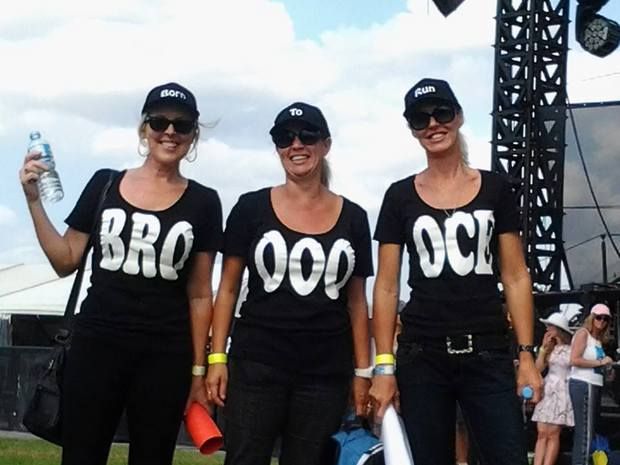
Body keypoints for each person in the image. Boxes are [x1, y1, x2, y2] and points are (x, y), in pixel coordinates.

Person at [19, 82, 223, 465]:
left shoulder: (204, 201)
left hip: (165, 353)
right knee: (81, 455)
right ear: (144, 129)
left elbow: (200, 295)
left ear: (193, 135)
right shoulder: (105, 183)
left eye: (181, 125)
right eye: (159, 121)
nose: (169, 132)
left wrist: (199, 371)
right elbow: (66, 259)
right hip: (97, 344)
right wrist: (34, 202)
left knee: (152, 457)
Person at [369, 77, 543, 465]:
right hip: (422, 354)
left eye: (441, 112)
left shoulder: (496, 188)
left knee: (508, 457)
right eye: (420, 118)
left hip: (488, 351)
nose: (433, 124)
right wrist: (384, 365)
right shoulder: (399, 195)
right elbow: (385, 286)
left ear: (459, 116)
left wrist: (528, 355)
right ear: (412, 130)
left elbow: (515, 275)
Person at [206, 102, 373, 465]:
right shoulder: (250, 208)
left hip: (325, 372)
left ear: (325, 144)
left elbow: (358, 302)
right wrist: (217, 357)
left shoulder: (355, 218)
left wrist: (364, 373)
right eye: (285, 138)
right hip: (256, 365)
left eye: (307, 135)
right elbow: (228, 289)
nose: (296, 145)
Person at [569, 303, 614, 465]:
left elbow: (596, 364)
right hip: (583, 383)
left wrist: (607, 369)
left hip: (594, 383)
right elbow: (574, 359)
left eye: (605, 319)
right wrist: (600, 361)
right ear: (592, 318)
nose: (602, 321)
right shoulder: (583, 334)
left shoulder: (597, 341)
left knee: (589, 430)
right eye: (599, 317)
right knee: (585, 432)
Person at [531, 312, 575, 465]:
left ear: (558, 329)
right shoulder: (548, 349)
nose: (548, 329)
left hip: (562, 389)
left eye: (551, 326)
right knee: (542, 432)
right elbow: (537, 369)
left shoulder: (571, 349)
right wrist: (543, 349)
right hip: (548, 388)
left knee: (553, 433)